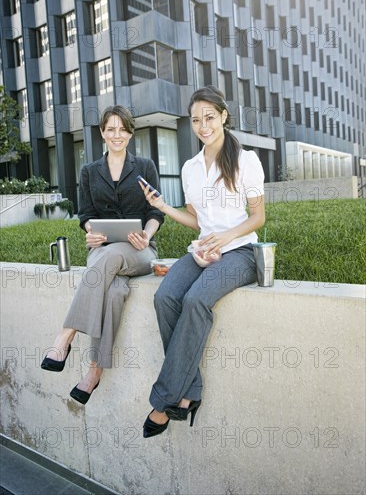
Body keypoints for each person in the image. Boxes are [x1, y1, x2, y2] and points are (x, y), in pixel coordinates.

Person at [139, 86, 265, 438]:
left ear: (224, 116)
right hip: (203, 249)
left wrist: (225, 238)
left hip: (240, 252)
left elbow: (257, 218)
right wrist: (163, 208)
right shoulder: (191, 168)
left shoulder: (245, 160)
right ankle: (189, 390)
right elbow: (197, 221)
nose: (203, 125)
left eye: (209, 117)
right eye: (196, 120)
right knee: (164, 297)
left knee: (195, 300)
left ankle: (163, 401)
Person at [41, 105, 164, 404]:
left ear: (131, 133)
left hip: (141, 251)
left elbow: (155, 212)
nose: (117, 134)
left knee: (107, 259)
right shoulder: (89, 170)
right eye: (111, 129)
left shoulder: (145, 166)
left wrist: (146, 235)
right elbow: (86, 214)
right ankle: (94, 372)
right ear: (102, 133)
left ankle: (66, 335)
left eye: (123, 129)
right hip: (103, 250)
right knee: (113, 293)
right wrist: (91, 231)